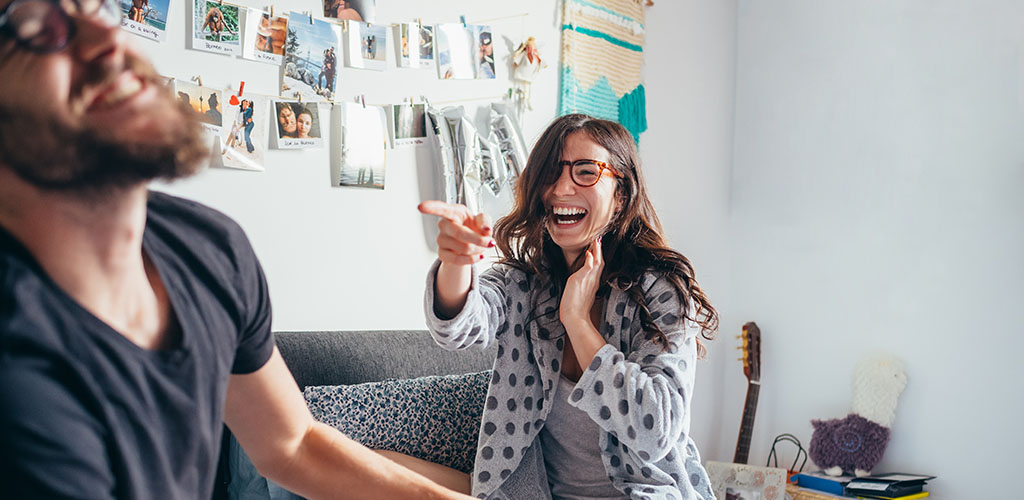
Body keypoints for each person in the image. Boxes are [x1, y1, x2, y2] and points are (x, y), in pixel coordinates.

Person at [0, 1, 475, 499]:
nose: (108, 38)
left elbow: (292, 444)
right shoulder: (18, 359)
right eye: (40, 26)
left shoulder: (209, 247)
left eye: (95, 5)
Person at [416, 114, 719, 499]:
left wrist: (577, 321)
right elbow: (455, 329)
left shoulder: (660, 291)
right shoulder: (524, 285)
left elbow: (655, 431)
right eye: (551, 172)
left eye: (586, 172)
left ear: (621, 193)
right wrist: (457, 261)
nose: (560, 188)